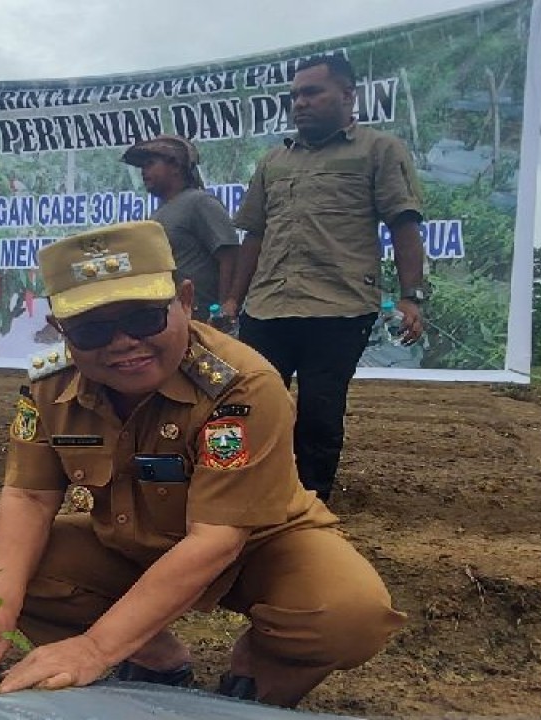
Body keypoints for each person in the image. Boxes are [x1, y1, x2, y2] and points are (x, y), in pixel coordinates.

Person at [0, 221, 404, 707]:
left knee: (350, 615)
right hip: (130, 545)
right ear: (61, 329)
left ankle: (260, 666)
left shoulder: (243, 386)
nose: (122, 343)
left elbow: (218, 540)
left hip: (258, 547)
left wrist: (96, 647)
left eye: (142, 319)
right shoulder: (49, 386)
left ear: (184, 301)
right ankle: (156, 657)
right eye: (92, 329)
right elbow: (28, 497)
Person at [222, 53, 428, 501]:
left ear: (347, 95)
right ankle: (246, 493)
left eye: (312, 92)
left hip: (339, 308)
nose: (301, 102)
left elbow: (403, 224)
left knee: (318, 410)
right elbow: (254, 234)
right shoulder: (273, 160)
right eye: (295, 94)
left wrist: (412, 297)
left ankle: (308, 500)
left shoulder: (378, 150)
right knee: (251, 404)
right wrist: (233, 299)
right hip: (268, 306)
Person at [121, 135, 239, 323]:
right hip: (173, 321)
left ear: (175, 166)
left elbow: (230, 255)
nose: (144, 171)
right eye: (142, 166)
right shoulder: (159, 213)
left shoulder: (199, 202)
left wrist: (226, 307)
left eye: (150, 164)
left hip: (204, 322)